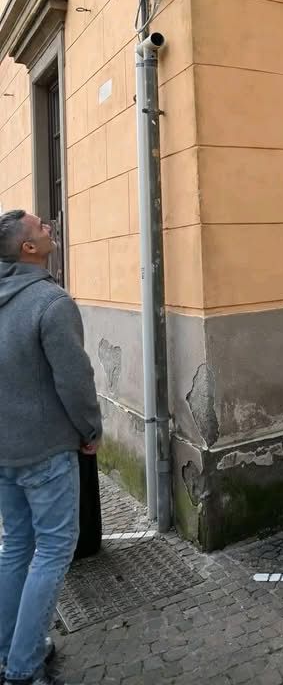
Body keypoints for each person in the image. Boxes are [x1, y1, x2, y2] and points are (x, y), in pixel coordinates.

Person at [0, 210, 102, 685]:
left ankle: (8, 650)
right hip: (45, 451)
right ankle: (22, 667)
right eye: (41, 227)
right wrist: (90, 430)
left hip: (5, 451)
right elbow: (75, 381)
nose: (50, 228)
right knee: (54, 549)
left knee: (16, 546)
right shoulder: (51, 302)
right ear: (29, 248)